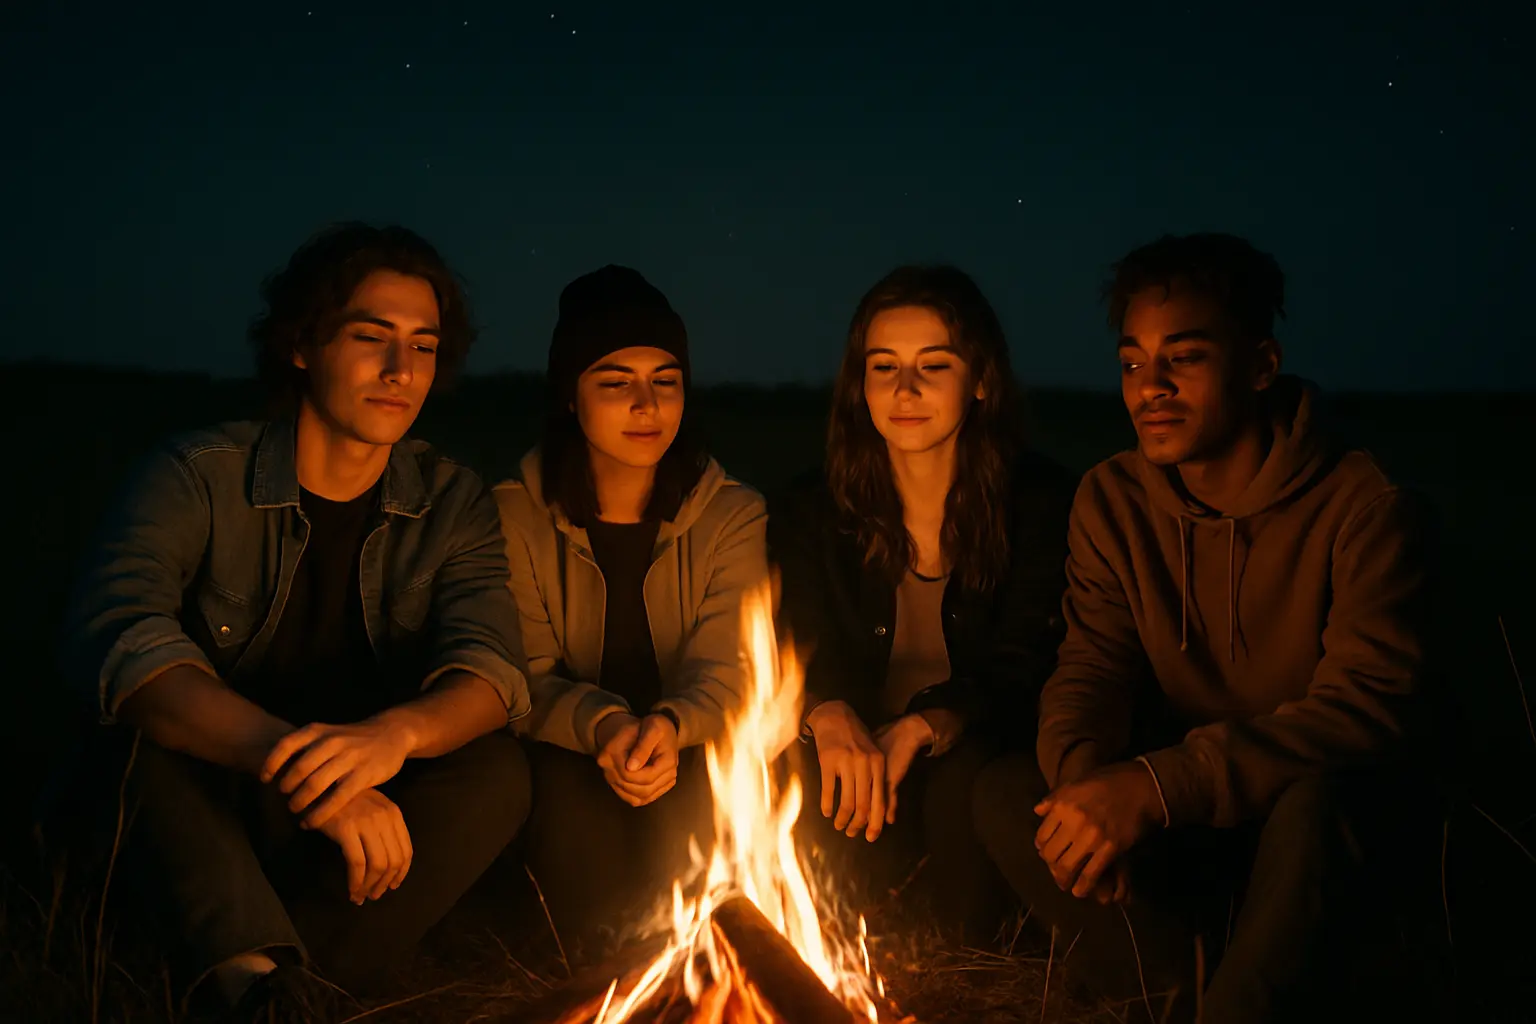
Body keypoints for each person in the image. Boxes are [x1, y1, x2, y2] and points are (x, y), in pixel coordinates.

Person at [57, 223, 533, 1023]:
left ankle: (262, 981)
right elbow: (119, 638)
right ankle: (265, 976)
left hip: (353, 813)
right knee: (134, 737)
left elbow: (492, 670)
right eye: (371, 338)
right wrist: (286, 759)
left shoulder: (450, 499)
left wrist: (396, 738)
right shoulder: (197, 474)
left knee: (496, 772)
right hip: (222, 795)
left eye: (422, 346)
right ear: (304, 345)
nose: (399, 370)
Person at [973, 233, 1437, 1022]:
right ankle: (1193, 993)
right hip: (1183, 828)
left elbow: (1365, 710)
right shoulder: (1113, 500)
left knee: (1317, 806)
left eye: (1182, 358)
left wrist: (1154, 788)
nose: (1149, 387)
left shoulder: (1364, 504)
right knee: (1006, 791)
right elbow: (1090, 667)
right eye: (1130, 362)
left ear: (1260, 366)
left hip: (1302, 815)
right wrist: (1089, 791)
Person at [768, 265, 1076, 936]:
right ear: (860, 386)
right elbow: (795, 642)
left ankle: (970, 948)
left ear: (982, 381)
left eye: (932, 366)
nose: (904, 390)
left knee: (970, 775)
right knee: (787, 758)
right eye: (883, 367)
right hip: (859, 775)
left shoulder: (1041, 504)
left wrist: (930, 722)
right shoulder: (811, 511)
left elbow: (1026, 662)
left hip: (973, 763)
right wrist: (825, 711)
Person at [495, 265, 768, 956]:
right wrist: (605, 724)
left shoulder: (730, 513)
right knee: (584, 907)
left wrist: (671, 726)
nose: (647, 405)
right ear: (570, 396)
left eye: (666, 381)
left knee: (707, 872)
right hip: (568, 749)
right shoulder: (512, 512)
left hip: (690, 745)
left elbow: (728, 665)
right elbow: (520, 675)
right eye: (616, 383)